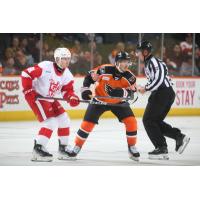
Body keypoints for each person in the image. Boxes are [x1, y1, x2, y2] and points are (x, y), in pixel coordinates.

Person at [65, 51, 140, 161]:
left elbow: (132, 94)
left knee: (131, 122)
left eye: (127, 62)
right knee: (87, 125)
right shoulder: (104, 69)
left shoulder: (130, 77)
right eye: (123, 62)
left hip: (118, 102)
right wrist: (85, 90)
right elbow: (89, 77)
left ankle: (131, 147)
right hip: (99, 100)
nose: (126, 64)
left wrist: (121, 93)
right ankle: (77, 146)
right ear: (117, 63)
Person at [21, 47, 80, 162]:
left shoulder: (67, 74)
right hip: (37, 97)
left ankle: (63, 149)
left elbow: (67, 91)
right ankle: (38, 149)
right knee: (50, 122)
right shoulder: (46, 66)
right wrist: (28, 90)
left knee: (64, 119)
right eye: (64, 59)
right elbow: (26, 73)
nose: (67, 61)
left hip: (50, 98)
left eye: (68, 58)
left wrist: (72, 97)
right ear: (57, 59)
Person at [136, 41, 190, 160]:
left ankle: (161, 148)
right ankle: (179, 137)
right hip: (164, 94)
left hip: (162, 94)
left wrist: (145, 88)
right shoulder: (149, 62)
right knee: (155, 122)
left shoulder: (153, 62)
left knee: (148, 120)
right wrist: (143, 87)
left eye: (139, 51)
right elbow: (155, 79)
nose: (137, 54)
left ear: (145, 52)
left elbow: (159, 79)